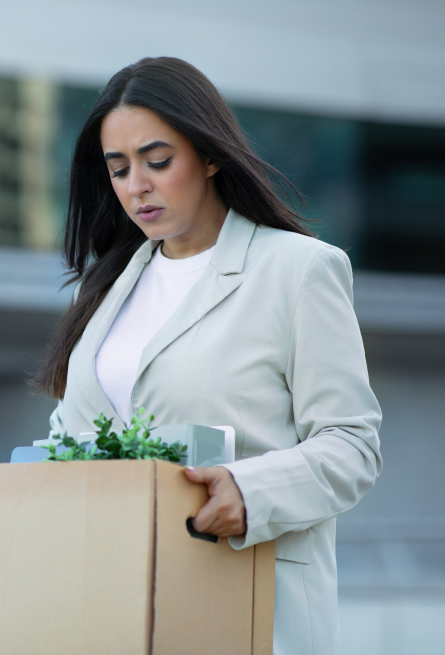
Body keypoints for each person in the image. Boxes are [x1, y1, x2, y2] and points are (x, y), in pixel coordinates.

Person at [34, 57, 382, 654]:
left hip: (248, 604)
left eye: (157, 161)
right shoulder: (108, 291)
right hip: (113, 614)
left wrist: (248, 492)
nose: (136, 185)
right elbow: (70, 441)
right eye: (118, 170)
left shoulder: (299, 271)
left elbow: (351, 445)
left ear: (210, 155)